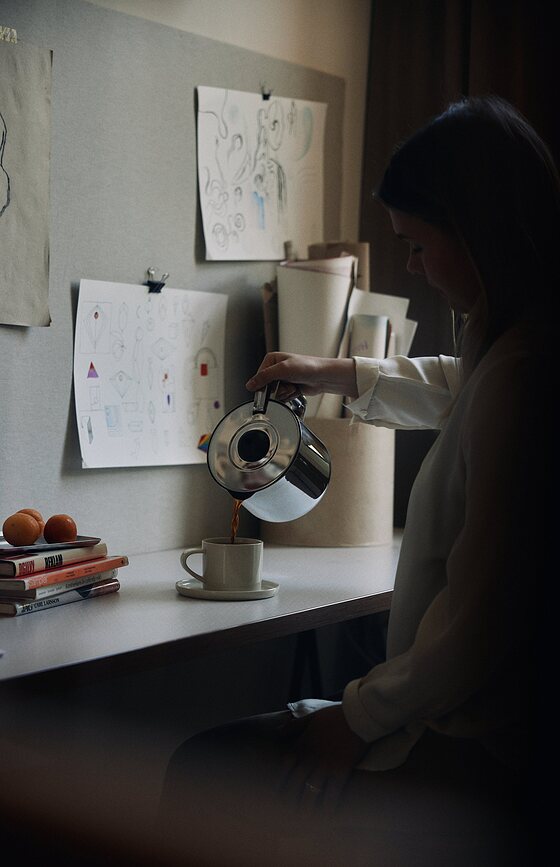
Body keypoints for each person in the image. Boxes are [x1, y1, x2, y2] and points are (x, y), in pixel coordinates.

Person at [158, 96, 555, 865]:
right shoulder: (510, 346)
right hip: (440, 718)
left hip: (461, 752)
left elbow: (479, 629)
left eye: (417, 244)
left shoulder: (524, 375)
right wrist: (333, 369)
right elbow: (455, 384)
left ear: (476, 232)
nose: (412, 267)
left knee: (200, 767)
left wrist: (355, 717)